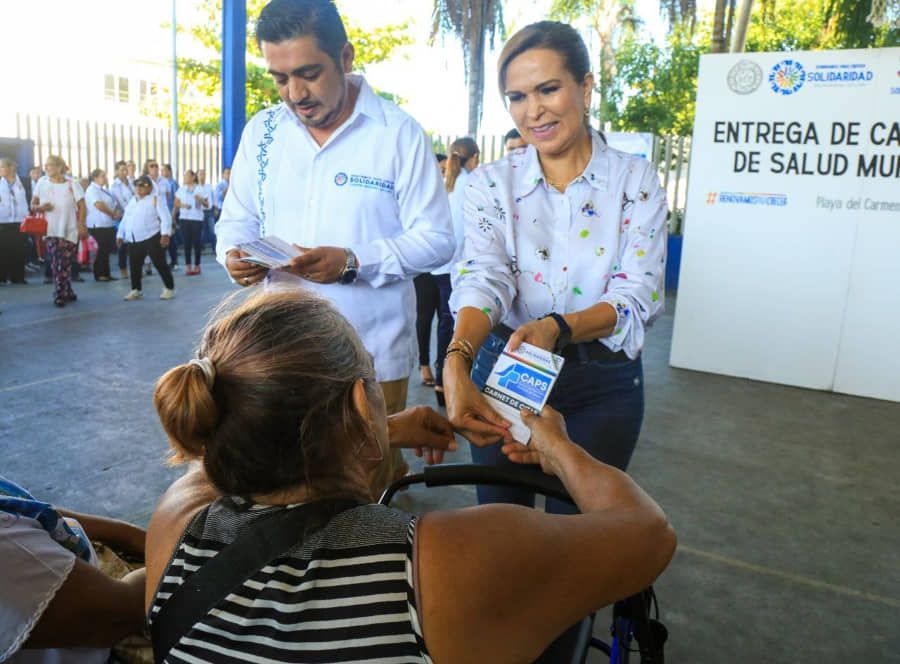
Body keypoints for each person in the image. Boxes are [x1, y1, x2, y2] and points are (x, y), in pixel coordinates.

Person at [144, 288, 675, 664]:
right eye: (371, 379)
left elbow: (219, 462)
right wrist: (560, 449)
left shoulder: (173, 525)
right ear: (358, 402)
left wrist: (379, 429)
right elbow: (649, 534)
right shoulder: (439, 562)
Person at [216, 0, 454, 491]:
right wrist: (234, 257)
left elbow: (438, 240)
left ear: (345, 57)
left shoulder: (397, 135)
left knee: (366, 485)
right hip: (280, 351)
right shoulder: (263, 133)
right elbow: (235, 219)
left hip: (370, 353)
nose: (295, 94)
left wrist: (353, 261)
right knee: (291, 485)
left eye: (308, 73)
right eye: (280, 78)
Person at [444, 21, 668, 514]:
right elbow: (486, 276)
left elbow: (640, 294)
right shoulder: (489, 185)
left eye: (548, 89)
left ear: (585, 88)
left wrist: (558, 328)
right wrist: (458, 359)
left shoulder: (635, 181)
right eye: (517, 97)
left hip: (601, 388)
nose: (534, 110)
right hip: (505, 372)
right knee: (503, 528)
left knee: (578, 539)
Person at [0, 476, 147, 663]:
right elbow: (114, 618)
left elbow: (29, 510)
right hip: (105, 635)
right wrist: (175, 549)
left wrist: (131, 536)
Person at [432, 137, 479, 407]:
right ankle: (453, 383)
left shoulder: (444, 184)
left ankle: (441, 381)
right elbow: (463, 236)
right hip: (456, 268)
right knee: (456, 327)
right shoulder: (471, 184)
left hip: (438, 267)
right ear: (474, 157)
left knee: (444, 324)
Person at [30, 155, 88, 307]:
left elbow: (82, 206)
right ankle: (60, 293)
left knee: (66, 262)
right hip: (50, 229)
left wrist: (81, 224)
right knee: (57, 262)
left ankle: (67, 290)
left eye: (50, 165)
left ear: (59, 167)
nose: (47, 168)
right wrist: (41, 208)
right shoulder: (42, 184)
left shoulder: (72, 184)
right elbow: (33, 204)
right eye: (46, 165)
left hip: (70, 229)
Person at [116, 174, 175, 301]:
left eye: (143, 185)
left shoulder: (155, 199)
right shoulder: (133, 201)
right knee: (134, 265)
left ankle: (169, 288)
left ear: (149, 187)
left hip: (151, 237)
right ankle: (136, 290)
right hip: (133, 239)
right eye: (137, 185)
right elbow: (126, 218)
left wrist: (165, 234)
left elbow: (166, 217)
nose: (139, 187)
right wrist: (120, 234)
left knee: (160, 264)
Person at [84, 168, 122, 281]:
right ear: (95, 178)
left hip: (107, 224)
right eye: (102, 176)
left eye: (105, 176)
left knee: (106, 250)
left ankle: (106, 273)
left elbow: (113, 203)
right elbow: (99, 205)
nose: (105, 178)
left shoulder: (104, 190)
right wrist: (112, 214)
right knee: (100, 250)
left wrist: (116, 212)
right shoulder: (92, 190)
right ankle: (100, 273)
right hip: (98, 224)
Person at [0, 158, 30, 284]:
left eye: (2, 167)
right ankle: (2, 277)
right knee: (3, 249)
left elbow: (29, 198)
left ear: (11, 167)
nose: (0, 170)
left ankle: (18, 277)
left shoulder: (24, 181)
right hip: (3, 220)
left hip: (20, 220)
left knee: (19, 249)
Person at [173, 170, 205, 275]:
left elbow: (206, 204)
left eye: (187, 176)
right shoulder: (181, 189)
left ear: (192, 177)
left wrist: (200, 200)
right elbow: (176, 203)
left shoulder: (200, 189)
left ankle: (197, 265)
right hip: (184, 219)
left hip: (197, 219)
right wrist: (183, 206)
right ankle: (188, 266)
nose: (185, 178)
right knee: (187, 243)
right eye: (184, 176)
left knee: (197, 242)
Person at [110, 160, 134, 279]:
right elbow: (121, 202)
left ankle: (135, 268)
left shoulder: (132, 182)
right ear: (116, 171)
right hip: (123, 216)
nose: (125, 171)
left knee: (134, 243)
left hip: (135, 216)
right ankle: (123, 269)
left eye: (126, 169)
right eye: (121, 169)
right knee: (123, 245)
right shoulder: (115, 186)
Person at [161, 163, 181, 271]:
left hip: (170, 214)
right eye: (161, 170)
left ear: (169, 171)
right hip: (162, 215)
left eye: (164, 170)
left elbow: (176, 200)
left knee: (172, 239)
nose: (162, 172)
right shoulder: (160, 183)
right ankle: (164, 262)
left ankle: (174, 261)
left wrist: (173, 215)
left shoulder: (173, 184)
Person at [195, 169, 215, 255]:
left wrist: (215, 208)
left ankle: (215, 248)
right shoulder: (195, 188)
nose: (202, 176)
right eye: (200, 174)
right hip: (200, 212)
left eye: (204, 174)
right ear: (197, 176)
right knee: (201, 232)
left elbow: (213, 198)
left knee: (213, 231)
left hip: (209, 211)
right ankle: (201, 249)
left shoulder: (209, 186)